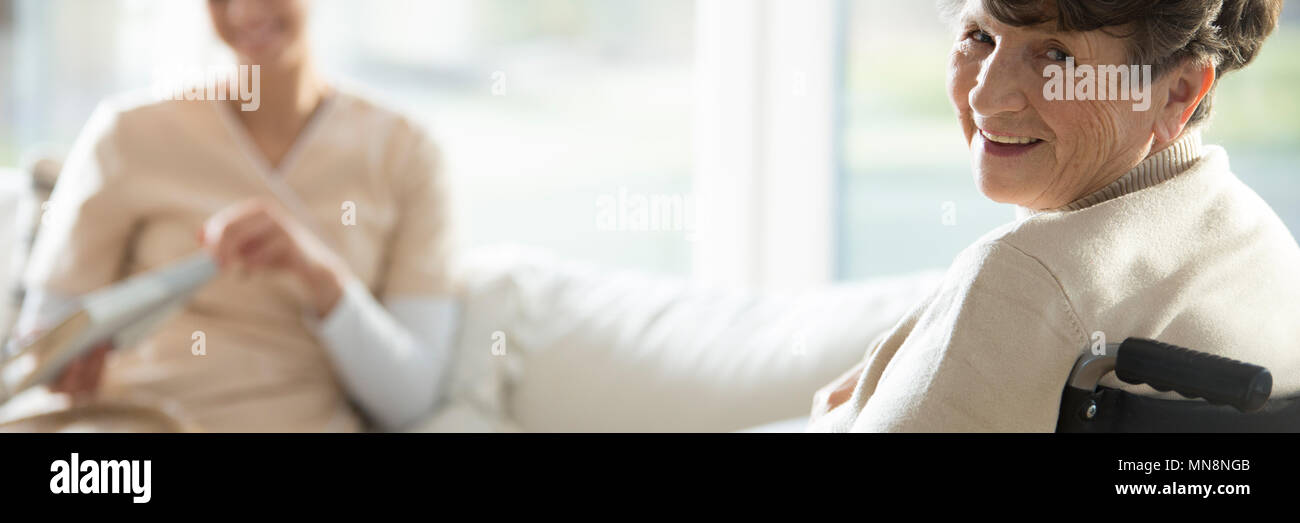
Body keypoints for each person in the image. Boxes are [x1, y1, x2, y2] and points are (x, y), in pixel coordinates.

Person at [810, 0, 1300, 431]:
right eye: (980, 36)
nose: (985, 96)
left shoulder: (1024, 280)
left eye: (1058, 57)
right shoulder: (1266, 245)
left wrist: (830, 417)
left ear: (1177, 91)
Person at [15, 0, 460, 432]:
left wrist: (320, 275)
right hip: (128, 428)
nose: (244, 12)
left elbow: (408, 399)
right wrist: (62, 369)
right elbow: (44, 338)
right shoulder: (128, 134)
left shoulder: (407, 154)